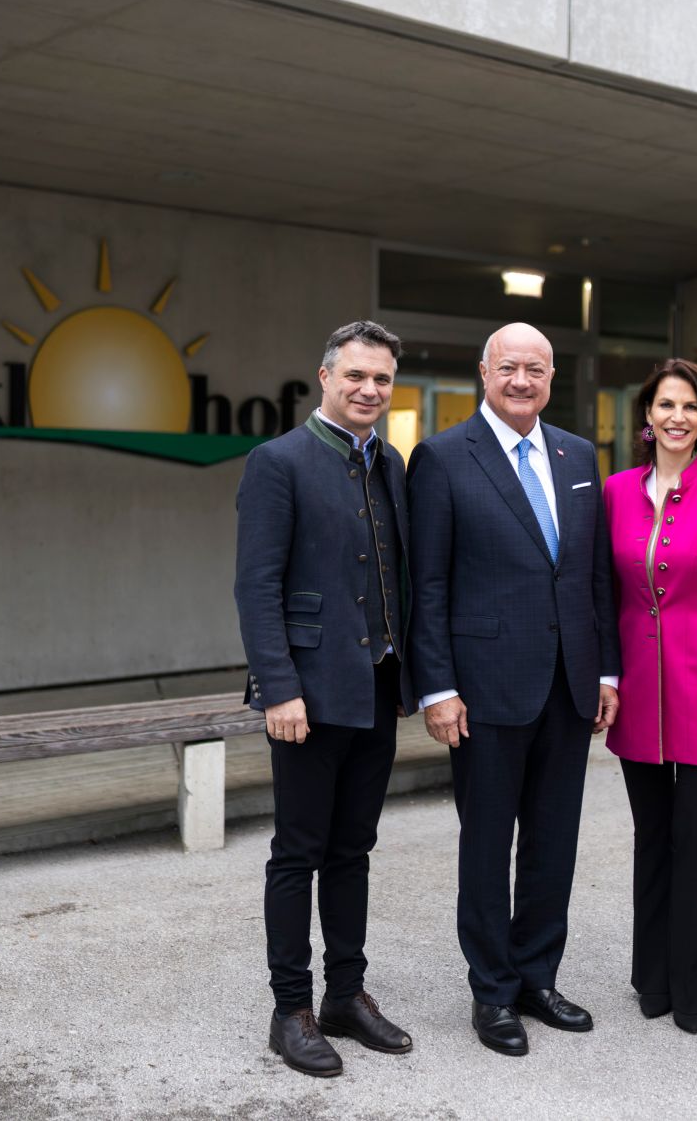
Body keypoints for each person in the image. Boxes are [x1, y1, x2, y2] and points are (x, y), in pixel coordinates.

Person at [407, 321, 621, 1057]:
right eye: (509, 368)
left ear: (552, 377)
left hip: (568, 687)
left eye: (536, 368)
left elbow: (594, 577)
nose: (522, 380)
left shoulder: (577, 455)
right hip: (485, 688)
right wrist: (437, 686)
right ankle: (491, 990)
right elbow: (427, 585)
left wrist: (606, 672)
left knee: (554, 843)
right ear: (484, 372)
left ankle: (537, 975)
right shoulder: (440, 458)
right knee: (488, 842)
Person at [234, 320, 416, 1078]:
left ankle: (347, 993)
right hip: (306, 694)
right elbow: (256, 584)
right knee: (298, 853)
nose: (369, 389)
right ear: (326, 376)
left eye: (382, 379)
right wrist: (279, 687)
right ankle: (292, 1008)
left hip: (377, 684)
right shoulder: (278, 461)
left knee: (354, 848)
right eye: (357, 376)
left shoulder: (391, 464)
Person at [602, 359, 697, 1034]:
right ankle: (652, 976)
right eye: (666, 404)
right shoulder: (612, 491)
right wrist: (606, 679)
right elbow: (601, 597)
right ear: (647, 417)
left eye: (689, 406)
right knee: (650, 837)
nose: (676, 416)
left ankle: (693, 986)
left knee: (695, 838)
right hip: (637, 693)